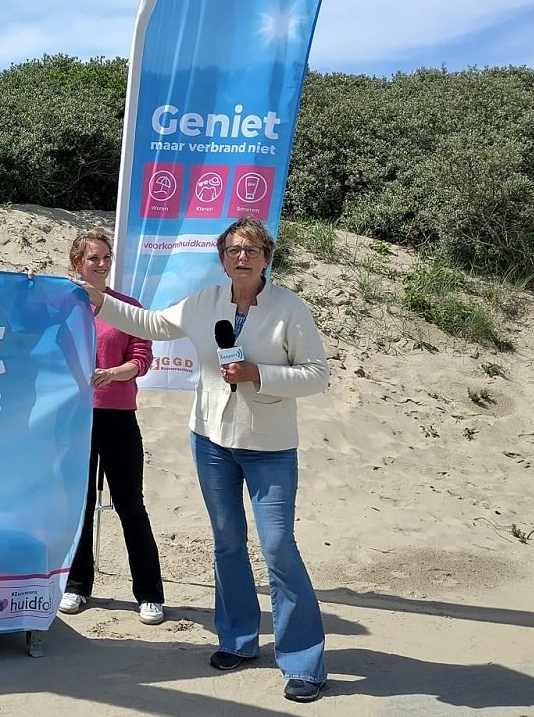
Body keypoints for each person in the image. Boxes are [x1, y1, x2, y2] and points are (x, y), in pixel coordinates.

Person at [72, 217, 331, 704]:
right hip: (211, 440)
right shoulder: (205, 301)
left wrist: (259, 373)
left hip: (270, 447)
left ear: (266, 256)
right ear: (222, 257)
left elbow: (318, 375)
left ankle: (303, 661)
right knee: (227, 544)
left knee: (278, 548)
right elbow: (151, 324)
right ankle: (237, 640)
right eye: (233, 249)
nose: (242, 257)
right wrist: (98, 299)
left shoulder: (289, 308)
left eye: (251, 249)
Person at [58, 229, 167, 624]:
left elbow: (142, 358)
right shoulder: (61, 305)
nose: (101, 264)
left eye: (105, 257)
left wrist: (115, 373)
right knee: (79, 506)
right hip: (74, 419)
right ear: (77, 263)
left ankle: (150, 594)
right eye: (93, 258)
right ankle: (76, 585)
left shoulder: (126, 307)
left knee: (130, 505)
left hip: (118, 416)